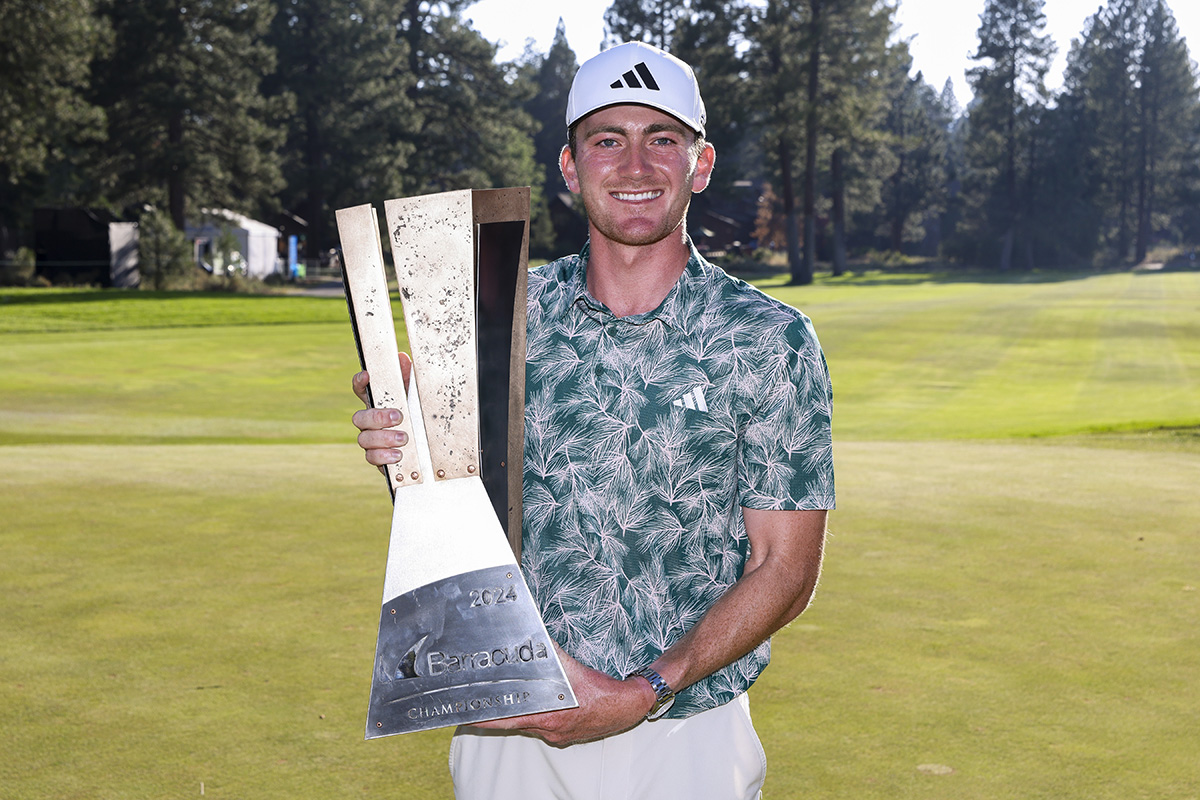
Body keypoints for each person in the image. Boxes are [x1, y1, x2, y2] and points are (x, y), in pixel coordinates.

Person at [352, 41, 835, 800]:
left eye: (662, 140)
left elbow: (786, 568)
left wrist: (645, 688)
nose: (635, 166)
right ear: (571, 167)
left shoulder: (769, 339)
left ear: (699, 165)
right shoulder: (496, 319)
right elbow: (459, 513)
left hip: (688, 736)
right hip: (510, 726)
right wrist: (407, 451)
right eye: (608, 140)